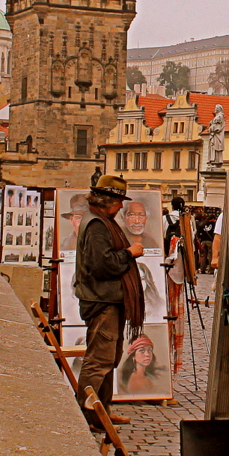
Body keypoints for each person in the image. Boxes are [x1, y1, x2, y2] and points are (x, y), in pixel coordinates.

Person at [74, 174, 145, 427]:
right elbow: (102, 265)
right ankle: (89, 415)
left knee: (108, 359)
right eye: (118, 201)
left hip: (109, 300)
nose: (121, 207)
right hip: (102, 301)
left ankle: (102, 410)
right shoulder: (96, 225)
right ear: (107, 200)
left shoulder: (102, 221)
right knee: (98, 360)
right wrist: (129, 253)